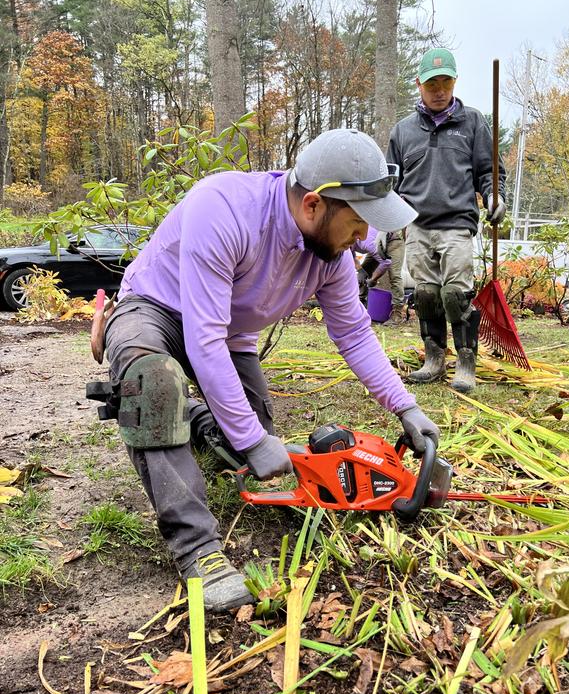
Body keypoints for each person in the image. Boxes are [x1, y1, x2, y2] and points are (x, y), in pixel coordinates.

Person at [97, 128, 439, 614]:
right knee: (154, 382)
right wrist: (253, 440)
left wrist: (406, 407)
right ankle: (198, 548)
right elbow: (203, 336)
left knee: (249, 441)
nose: (365, 240)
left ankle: (189, 419)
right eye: (360, 222)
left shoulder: (332, 255)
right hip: (155, 310)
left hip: (224, 335)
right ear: (314, 206)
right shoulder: (224, 207)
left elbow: (355, 335)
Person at [386, 48, 507, 393]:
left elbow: (489, 171)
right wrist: (386, 224)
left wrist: (495, 198)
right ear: (419, 84)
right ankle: (434, 358)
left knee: (455, 293)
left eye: (446, 82)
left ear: (455, 82)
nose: (440, 90)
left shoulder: (473, 122)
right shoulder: (403, 131)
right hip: (417, 224)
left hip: (457, 222)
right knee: (425, 294)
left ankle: (466, 361)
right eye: (432, 83)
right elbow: (390, 183)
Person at [353, 227, 405, 316]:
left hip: (393, 240)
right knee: (365, 269)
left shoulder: (367, 243)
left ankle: (397, 313)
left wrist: (373, 279)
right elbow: (352, 256)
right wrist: (360, 270)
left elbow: (386, 262)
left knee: (394, 275)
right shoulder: (344, 242)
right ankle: (359, 305)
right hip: (377, 242)